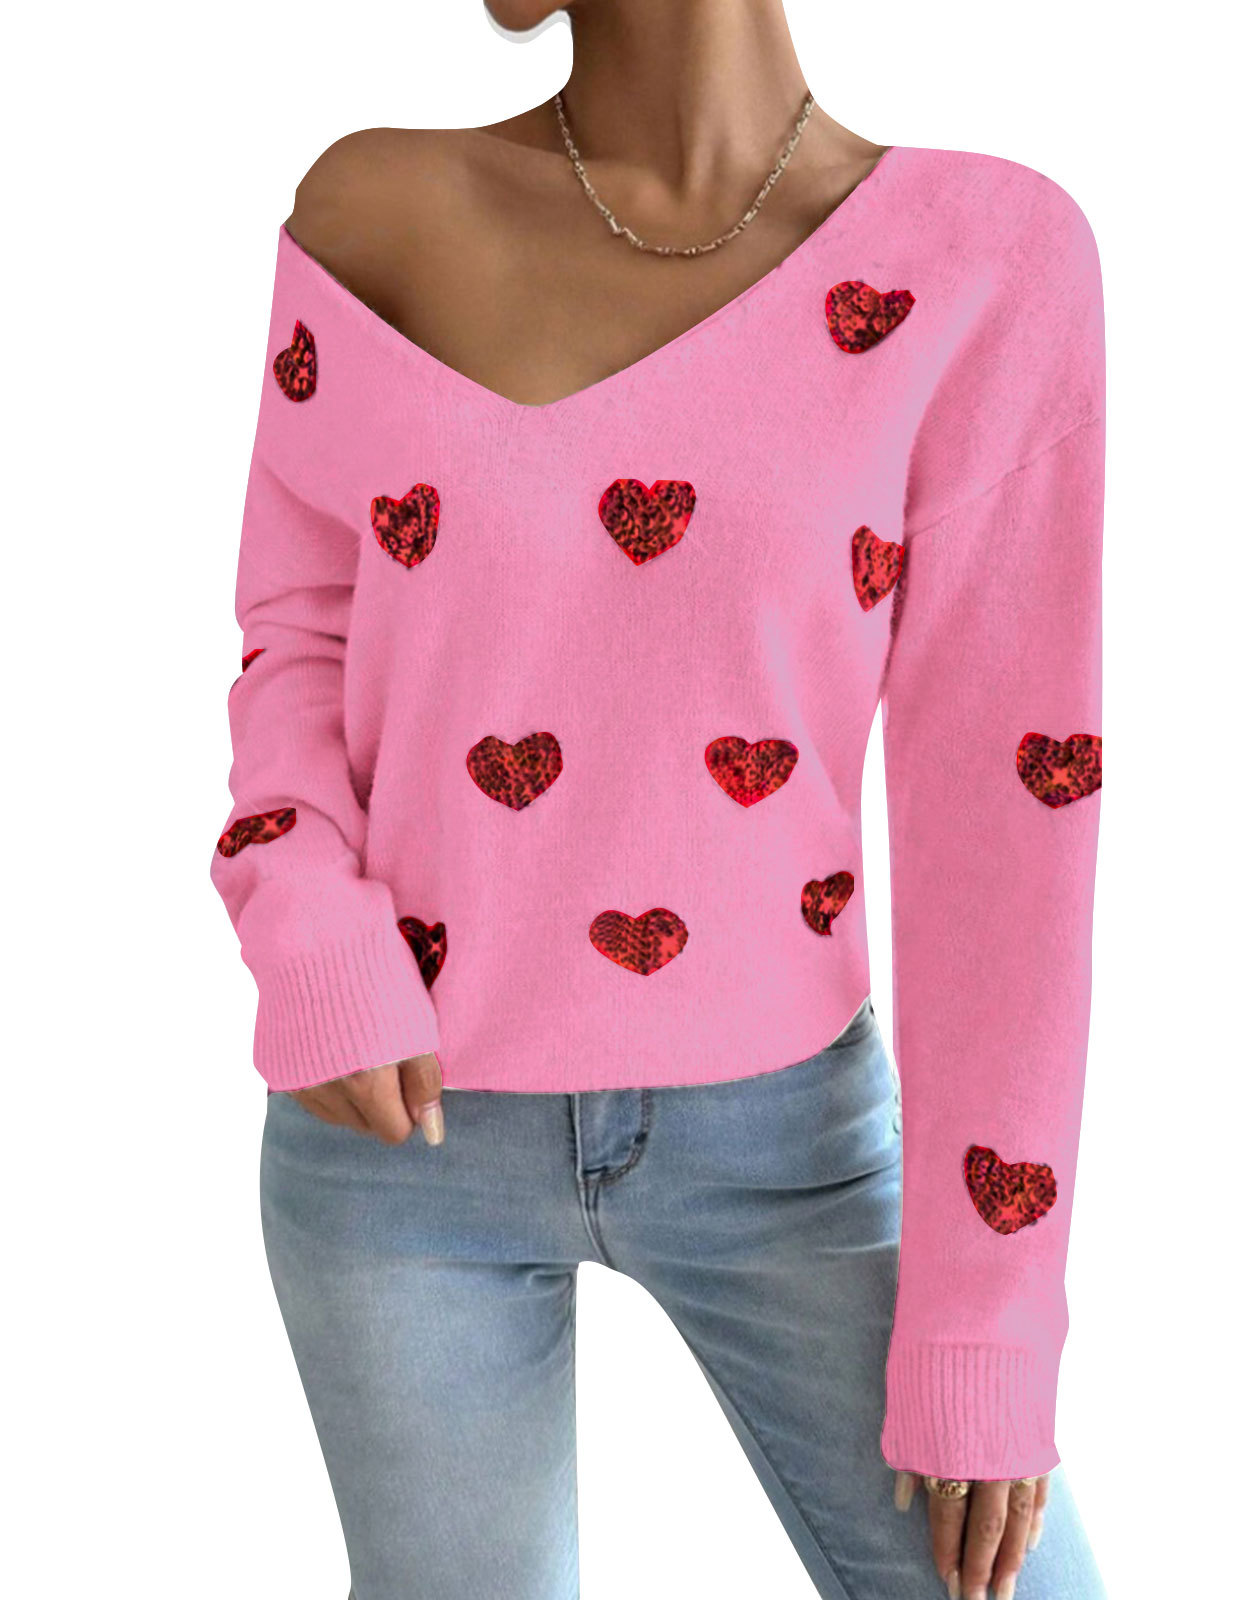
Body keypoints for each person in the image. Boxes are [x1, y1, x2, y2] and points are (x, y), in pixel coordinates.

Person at [209, 2, 1108, 1596]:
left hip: (789, 1142)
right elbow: (302, 634)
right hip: (398, 1141)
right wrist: (312, 938)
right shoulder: (374, 212)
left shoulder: (984, 259)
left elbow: (1007, 817)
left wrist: (988, 1322)